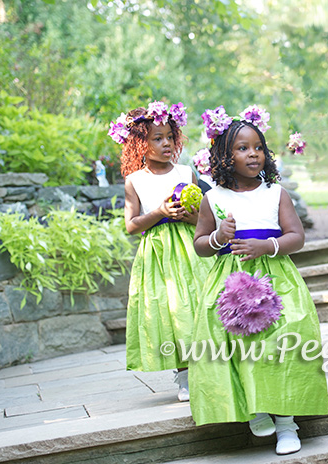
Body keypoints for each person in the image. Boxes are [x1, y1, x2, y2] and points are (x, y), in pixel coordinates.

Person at [189, 105, 328, 456]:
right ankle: (256, 407)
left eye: (258, 147)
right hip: (231, 283)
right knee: (242, 350)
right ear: (224, 155)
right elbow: (201, 246)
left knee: (282, 346)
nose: (253, 154)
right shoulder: (213, 198)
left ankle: (287, 423)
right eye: (242, 148)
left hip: (275, 279)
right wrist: (220, 237)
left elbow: (297, 236)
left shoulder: (275, 194)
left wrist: (269, 245)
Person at [109, 101, 214, 402]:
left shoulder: (185, 172)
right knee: (173, 311)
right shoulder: (135, 181)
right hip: (158, 254)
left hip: (191, 247)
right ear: (141, 143)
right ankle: (185, 378)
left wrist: (187, 215)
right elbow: (132, 225)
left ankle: (209, 369)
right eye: (157, 138)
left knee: (198, 304)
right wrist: (160, 211)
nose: (166, 143)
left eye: (170, 136)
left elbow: (201, 218)